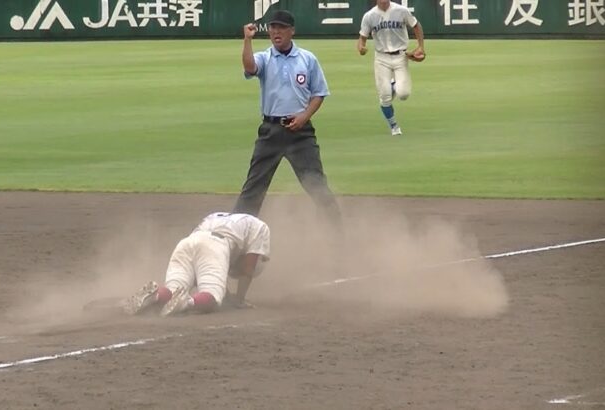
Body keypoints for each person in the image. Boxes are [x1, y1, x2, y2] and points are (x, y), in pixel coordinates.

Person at [233, 10, 341, 229]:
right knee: (253, 188)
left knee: (317, 186)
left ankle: (338, 236)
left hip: (300, 134)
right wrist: (247, 40)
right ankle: (235, 237)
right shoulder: (265, 57)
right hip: (270, 131)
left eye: (281, 28)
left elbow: (319, 93)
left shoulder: (307, 59)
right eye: (273, 28)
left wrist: (304, 117)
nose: (276, 32)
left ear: (292, 31)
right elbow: (249, 67)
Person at [126, 212, 270, 316]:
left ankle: (155, 297)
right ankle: (187, 302)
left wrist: (226, 293)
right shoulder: (261, 228)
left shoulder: (219, 217)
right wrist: (239, 299)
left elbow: (202, 262)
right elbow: (249, 268)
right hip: (215, 246)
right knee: (212, 296)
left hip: (187, 243)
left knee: (174, 289)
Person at [357, 0, 425, 136]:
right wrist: (361, 48)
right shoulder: (369, 16)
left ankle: (394, 85)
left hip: (401, 55)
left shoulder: (401, 11)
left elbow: (416, 26)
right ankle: (394, 126)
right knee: (385, 97)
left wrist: (421, 46)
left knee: (404, 94)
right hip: (381, 58)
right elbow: (362, 38)